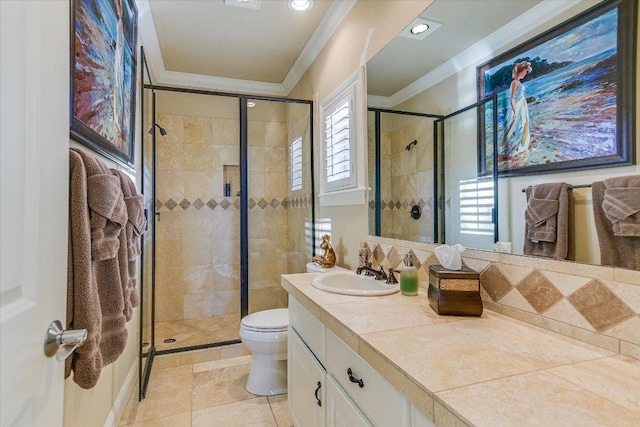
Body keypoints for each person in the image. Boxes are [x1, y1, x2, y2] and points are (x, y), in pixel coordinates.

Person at [499, 61, 532, 159]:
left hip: (521, 105)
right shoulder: (514, 82)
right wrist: (514, 110)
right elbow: (512, 98)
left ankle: (520, 147)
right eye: (525, 71)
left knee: (523, 124)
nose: (526, 73)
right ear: (521, 71)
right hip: (516, 106)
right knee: (514, 126)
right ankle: (511, 149)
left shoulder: (519, 82)